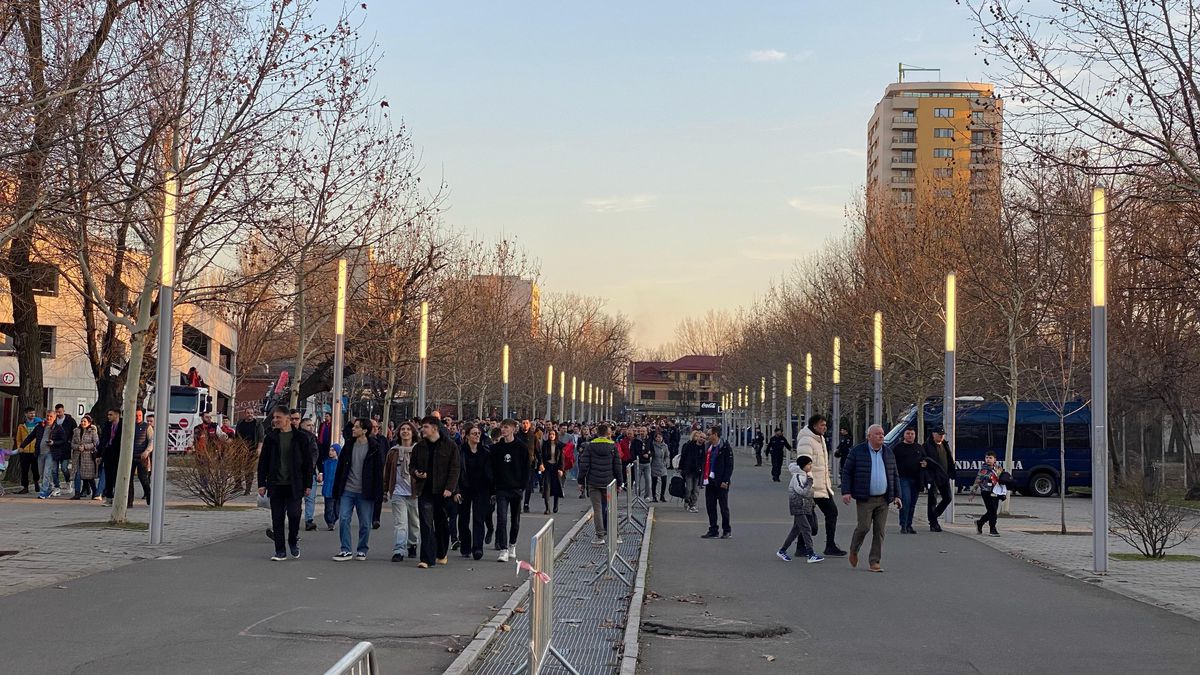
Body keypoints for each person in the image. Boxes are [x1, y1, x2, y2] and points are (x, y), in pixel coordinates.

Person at [257, 405, 315, 561]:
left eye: (278, 417)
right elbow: (263, 462)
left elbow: (308, 464)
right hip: (276, 484)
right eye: (274, 417)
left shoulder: (301, 438)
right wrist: (261, 483)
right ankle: (280, 551)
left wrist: (308, 484)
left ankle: (293, 540)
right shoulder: (271, 438)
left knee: (295, 515)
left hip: (295, 484)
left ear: (287, 419)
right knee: (277, 518)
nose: (275, 420)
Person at [840, 424, 901, 572]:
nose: (881, 436)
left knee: (879, 531)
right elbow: (847, 472)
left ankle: (875, 561)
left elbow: (894, 474)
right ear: (869, 437)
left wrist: (897, 495)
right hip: (865, 498)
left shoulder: (888, 452)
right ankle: (854, 549)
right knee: (864, 527)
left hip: (883, 498)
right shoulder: (857, 451)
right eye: (878, 434)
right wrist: (846, 491)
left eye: (882, 434)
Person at [411, 415, 461, 569]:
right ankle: (426, 558)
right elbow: (412, 466)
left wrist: (449, 488)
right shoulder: (419, 447)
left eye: (425, 427)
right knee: (426, 524)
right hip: (425, 490)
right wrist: (416, 473)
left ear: (434, 428)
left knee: (441, 524)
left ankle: (441, 552)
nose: (422, 429)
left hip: (442, 491)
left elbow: (455, 469)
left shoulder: (450, 446)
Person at [332, 418, 384, 562]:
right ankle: (345, 549)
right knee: (343, 518)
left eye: (357, 427)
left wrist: (379, 492)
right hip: (348, 489)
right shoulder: (348, 446)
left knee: (365, 523)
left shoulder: (374, 448)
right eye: (353, 427)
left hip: (365, 491)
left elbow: (378, 472)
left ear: (365, 431)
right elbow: (340, 469)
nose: (353, 429)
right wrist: (337, 489)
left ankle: (362, 549)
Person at [795, 415, 845, 557]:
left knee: (832, 512)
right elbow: (804, 464)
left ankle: (830, 545)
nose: (824, 427)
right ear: (814, 426)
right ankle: (801, 546)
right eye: (822, 425)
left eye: (825, 425)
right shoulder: (806, 440)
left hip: (822, 486)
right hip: (811, 487)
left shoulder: (820, 439)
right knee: (807, 518)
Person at [576, 423, 622, 545]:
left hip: (594, 482)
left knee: (597, 510)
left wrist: (581, 481)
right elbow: (617, 466)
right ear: (608, 433)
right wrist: (620, 483)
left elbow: (584, 465)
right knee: (611, 508)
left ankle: (599, 536)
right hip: (609, 483)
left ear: (597, 433)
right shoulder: (613, 447)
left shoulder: (590, 446)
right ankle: (616, 535)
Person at [491, 419, 529, 562]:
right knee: (501, 518)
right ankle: (503, 549)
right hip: (501, 488)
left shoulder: (521, 447)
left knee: (515, 519)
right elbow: (492, 467)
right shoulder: (497, 448)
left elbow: (526, 468)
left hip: (516, 489)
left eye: (506, 427)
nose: (503, 430)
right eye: (502, 427)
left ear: (513, 429)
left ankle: (512, 544)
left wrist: (522, 486)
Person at [456, 425, 493, 560]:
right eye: (473, 433)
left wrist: (491, 491)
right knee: (463, 519)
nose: (477, 435)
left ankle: (478, 547)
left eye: (478, 433)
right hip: (464, 488)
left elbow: (490, 472)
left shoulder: (485, 452)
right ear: (467, 436)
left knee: (479, 518)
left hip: (481, 489)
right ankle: (465, 546)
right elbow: (457, 471)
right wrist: (456, 490)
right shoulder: (460, 451)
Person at [384, 423, 420, 561]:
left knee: (414, 522)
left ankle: (413, 544)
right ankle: (399, 549)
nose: (405, 432)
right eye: (403, 429)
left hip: (414, 492)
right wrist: (385, 489)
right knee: (401, 522)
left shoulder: (419, 450)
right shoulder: (393, 451)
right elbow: (387, 472)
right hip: (398, 492)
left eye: (408, 429)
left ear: (413, 433)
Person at [777, 455, 823, 563]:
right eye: (808, 464)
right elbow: (801, 491)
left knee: (796, 530)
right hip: (798, 506)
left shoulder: (806, 475)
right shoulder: (797, 476)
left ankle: (782, 550)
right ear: (803, 465)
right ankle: (811, 553)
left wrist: (811, 502)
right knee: (806, 528)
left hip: (805, 506)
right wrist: (809, 483)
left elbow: (809, 493)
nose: (810, 466)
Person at [24, 411, 68, 499]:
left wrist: (54, 442)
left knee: (47, 472)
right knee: (41, 472)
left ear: (55, 417)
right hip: (40, 452)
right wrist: (22, 446)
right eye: (47, 416)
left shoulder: (58, 428)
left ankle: (43, 492)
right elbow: (30, 437)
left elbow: (63, 440)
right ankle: (50, 488)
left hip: (51, 453)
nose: (48, 418)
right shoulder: (40, 426)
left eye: (51, 416)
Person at [700, 426, 734, 539]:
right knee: (710, 506)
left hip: (721, 481)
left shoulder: (725, 447)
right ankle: (713, 529)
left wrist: (725, 480)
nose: (707, 436)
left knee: (723, 507)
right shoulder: (708, 447)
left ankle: (726, 530)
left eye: (709, 434)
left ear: (715, 435)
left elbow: (729, 466)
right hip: (709, 480)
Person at [970, 451, 1011, 537]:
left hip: (996, 491)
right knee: (992, 510)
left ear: (995, 459)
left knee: (992, 510)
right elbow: (977, 480)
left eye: (990, 458)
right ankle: (992, 528)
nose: (988, 460)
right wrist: (973, 492)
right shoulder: (983, 469)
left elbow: (1002, 479)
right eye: (986, 458)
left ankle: (980, 522)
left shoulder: (998, 468)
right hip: (986, 491)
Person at [893, 428, 925, 534]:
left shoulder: (919, 448)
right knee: (905, 501)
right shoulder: (898, 448)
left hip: (916, 479)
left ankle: (909, 524)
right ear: (904, 435)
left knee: (912, 503)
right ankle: (903, 524)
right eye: (908, 433)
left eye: (912, 434)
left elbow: (925, 459)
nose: (910, 435)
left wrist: (925, 464)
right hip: (903, 478)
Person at [923, 426, 954, 531]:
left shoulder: (945, 445)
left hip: (944, 476)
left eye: (942, 434)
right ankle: (933, 523)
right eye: (939, 434)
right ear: (933, 434)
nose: (941, 436)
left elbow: (949, 459)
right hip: (932, 477)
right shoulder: (927, 446)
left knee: (948, 497)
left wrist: (952, 472)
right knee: (932, 499)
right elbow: (923, 460)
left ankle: (934, 516)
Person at [69, 414, 100, 500]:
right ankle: (77, 493)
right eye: (82, 421)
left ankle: (95, 491)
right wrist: (77, 447)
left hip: (88, 457)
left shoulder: (92, 431)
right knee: (77, 474)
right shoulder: (76, 431)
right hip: (77, 456)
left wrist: (85, 447)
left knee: (89, 476)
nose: (83, 423)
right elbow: (72, 443)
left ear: (89, 423)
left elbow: (96, 443)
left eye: (85, 421)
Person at [235, 409, 265, 495]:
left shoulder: (258, 424)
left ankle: (248, 489)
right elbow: (236, 436)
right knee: (236, 468)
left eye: (251, 413)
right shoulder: (240, 423)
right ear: (244, 414)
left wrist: (259, 449)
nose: (250, 414)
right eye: (248, 413)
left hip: (252, 449)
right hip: (240, 449)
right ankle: (237, 485)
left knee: (248, 470)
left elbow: (261, 438)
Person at [98, 408, 122, 505]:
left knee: (117, 475)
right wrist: (99, 454)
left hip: (118, 453)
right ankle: (109, 497)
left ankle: (118, 497)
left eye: (111, 414)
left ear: (117, 415)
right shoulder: (107, 425)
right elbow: (103, 439)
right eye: (108, 414)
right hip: (108, 452)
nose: (108, 416)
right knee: (108, 476)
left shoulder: (122, 425)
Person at [677, 430, 706, 512]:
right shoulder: (689, 445)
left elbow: (703, 460)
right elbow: (684, 456)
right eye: (700, 437)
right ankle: (687, 500)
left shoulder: (703, 448)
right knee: (689, 489)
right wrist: (680, 467)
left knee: (696, 490)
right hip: (688, 470)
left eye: (704, 438)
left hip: (698, 472)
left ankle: (693, 505)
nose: (701, 439)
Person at [14, 407, 40, 494]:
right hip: (24, 452)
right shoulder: (21, 426)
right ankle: (25, 487)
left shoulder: (38, 425)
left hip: (34, 451)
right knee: (24, 470)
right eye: (30, 413)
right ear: (26, 414)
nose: (32, 415)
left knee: (35, 470)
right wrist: (19, 447)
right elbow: (18, 439)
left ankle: (36, 482)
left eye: (33, 413)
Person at [539, 429, 565, 514]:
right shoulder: (545, 444)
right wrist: (541, 464)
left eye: (553, 434)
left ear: (556, 435)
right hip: (547, 467)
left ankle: (555, 505)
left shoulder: (559, 445)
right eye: (550, 434)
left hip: (556, 468)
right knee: (547, 487)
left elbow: (562, 458)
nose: (551, 436)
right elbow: (541, 456)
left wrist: (561, 469)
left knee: (556, 487)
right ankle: (547, 508)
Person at [320, 444, 341, 530]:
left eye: (333, 450)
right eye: (330, 450)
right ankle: (330, 522)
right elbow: (323, 474)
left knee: (337, 509)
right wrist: (320, 476)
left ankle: (334, 519)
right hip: (328, 489)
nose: (330, 452)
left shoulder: (340, 464)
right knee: (329, 508)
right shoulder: (326, 462)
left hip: (337, 490)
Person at [650, 431, 669, 502]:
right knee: (654, 482)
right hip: (654, 465)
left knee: (664, 481)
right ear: (655, 438)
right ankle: (654, 496)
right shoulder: (653, 445)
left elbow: (667, 456)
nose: (659, 438)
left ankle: (662, 496)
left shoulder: (665, 446)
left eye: (660, 437)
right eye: (658, 437)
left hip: (662, 465)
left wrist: (665, 462)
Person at [635, 430, 653, 499]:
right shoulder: (636, 440)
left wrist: (649, 455)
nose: (642, 432)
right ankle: (637, 496)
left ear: (646, 432)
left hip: (647, 463)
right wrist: (639, 456)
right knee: (637, 481)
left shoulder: (649, 440)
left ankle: (647, 495)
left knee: (648, 480)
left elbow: (652, 451)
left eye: (644, 431)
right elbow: (633, 451)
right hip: (638, 463)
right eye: (641, 431)